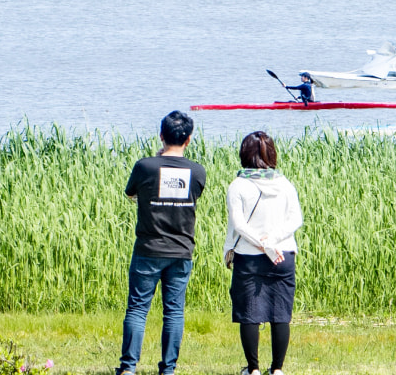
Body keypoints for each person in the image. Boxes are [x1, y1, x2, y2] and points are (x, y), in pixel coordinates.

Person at [117, 111, 209, 375]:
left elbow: (131, 194)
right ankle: (168, 369)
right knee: (174, 312)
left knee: (137, 308)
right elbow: (195, 196)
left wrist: (158, 160)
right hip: (181, 250)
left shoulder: (145, 166)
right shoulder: (197, 171)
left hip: (148, 248)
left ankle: (128, 368)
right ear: (189, 139)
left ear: (161, 135)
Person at [224, 131, 302, 375]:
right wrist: (273, 241)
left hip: (249, 256)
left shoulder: (238, 185)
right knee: (281, 312)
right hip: (283, 254)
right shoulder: (284, 183)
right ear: (272, 153)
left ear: (244, 154)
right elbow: (296, 219)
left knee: (250, 313)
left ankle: (254, 369)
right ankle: (277, 369)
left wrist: (260, 243)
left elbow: (239, 225)